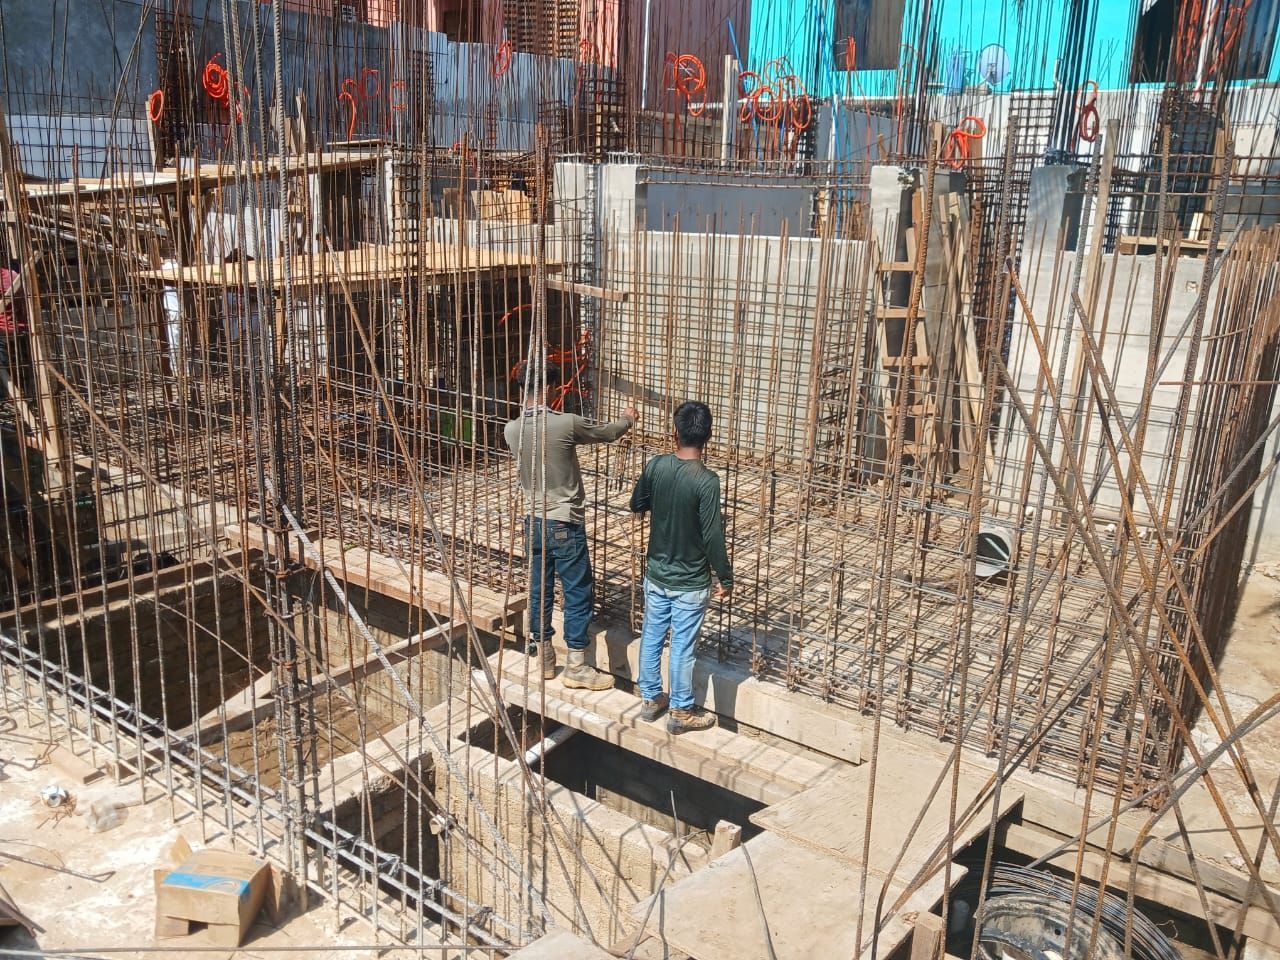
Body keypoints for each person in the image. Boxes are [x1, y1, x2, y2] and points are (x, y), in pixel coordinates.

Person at [503, 361, 636, 688]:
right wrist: (628, 419)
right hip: (563, 522)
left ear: (521, 389)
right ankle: (577, 666)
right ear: (549, 388)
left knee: (540, 589)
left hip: (532, 522)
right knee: (577, 592)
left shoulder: (512, 429)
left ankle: (544, 658)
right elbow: (608, 433)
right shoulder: (566, 424)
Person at [629, 401, 732, 735]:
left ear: (675, 432)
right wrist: (725, 575)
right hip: (690, 582)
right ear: (709, 436)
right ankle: (681, 711)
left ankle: (650, 699)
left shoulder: (657, 465)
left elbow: (636, 503)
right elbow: (712, 534)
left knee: (652, 636)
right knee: (682, 648)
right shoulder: (707, 481)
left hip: (657, 575)